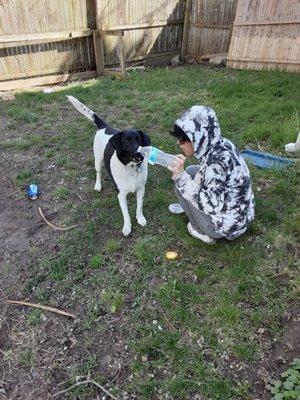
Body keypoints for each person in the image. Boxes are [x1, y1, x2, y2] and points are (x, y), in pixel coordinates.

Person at [168, 105, 255, 244]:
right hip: (242, 214)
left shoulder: (215, 165)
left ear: (197, 137)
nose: (179, 143)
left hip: (226, 228)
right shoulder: (220, 144)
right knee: (191, 171)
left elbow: (211, 205)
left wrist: (180, 177)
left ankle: (201, 230)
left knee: (181, 183)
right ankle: (189, 207)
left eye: (183, 139)